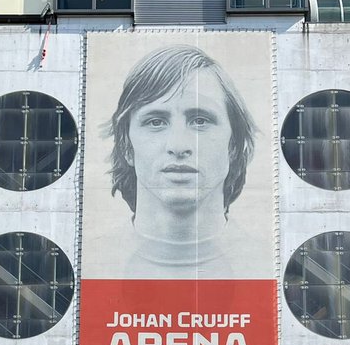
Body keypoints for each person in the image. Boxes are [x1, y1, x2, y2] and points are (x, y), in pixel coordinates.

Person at [105, 44, 258, 275]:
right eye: (155, 122)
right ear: (127, 146)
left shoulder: (264, 264)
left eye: (200, 120)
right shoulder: (96, 263)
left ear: (234, 145)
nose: (178, 146)